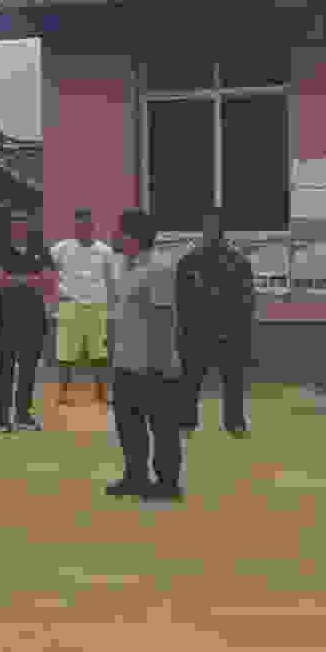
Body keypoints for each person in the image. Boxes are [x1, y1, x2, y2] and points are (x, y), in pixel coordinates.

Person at [101, 210, 192, 499]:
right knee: (129, 425)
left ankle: (167, 483)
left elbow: (163, 318)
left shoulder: (158, 269)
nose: (114, 236)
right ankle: (135, 477)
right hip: (126, 362)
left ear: (133, 236)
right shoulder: (124, 269)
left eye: (119, 231)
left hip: (153, 364)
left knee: (163, 427)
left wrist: (161, 363)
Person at [177, 213, 258, 438]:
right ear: (203, 230)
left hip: (230, 333)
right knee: (190, 381)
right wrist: (182, 332)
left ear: (223, 230)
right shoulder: (189, 261)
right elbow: (180, 300)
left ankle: (235, 423)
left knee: (233, 381)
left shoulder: (238, 261)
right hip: (196, 333)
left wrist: (244, 334)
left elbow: (247, 300)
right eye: (208, 227)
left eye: (215, 227)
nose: (211, 231)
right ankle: (186, 422)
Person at [49, 207, 117, 425]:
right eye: (79, 224)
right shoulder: (60, 249)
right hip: (69, 308)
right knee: (66, 354)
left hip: (97, 307)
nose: (83, 228)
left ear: (93, 226)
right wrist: (57, 295)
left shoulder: (105, 251)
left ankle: (101, 393)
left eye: (87, 224)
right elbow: (47, 273)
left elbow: (112, 281)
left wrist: (113, 308)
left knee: (100, 353)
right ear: (74, 226)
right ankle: (63, 393)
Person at [0, 216, 55, 432]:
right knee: (5, 369)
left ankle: (23, 415)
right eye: (15, 225)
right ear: (10, 229)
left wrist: (14, 279)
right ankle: (2, 418)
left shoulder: (40, 249)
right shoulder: (0, 250)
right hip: (8, 319)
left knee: (28, 369)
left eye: (22, 225)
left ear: (27, 228)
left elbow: (49, 282)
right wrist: (32, 279)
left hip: (34, 318)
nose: (19, 229)